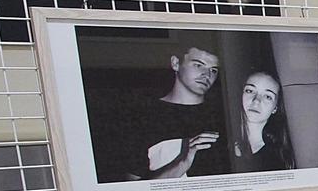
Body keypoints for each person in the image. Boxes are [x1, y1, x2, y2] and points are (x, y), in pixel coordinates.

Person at [91, 44, 230, 183]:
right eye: (198, 65)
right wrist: (181, 164)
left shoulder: (225, 117)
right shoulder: (140, 118)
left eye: (213, 70)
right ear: (175, 63)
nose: (207, 75)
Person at [230, 69, 295, 172]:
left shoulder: (277, 160)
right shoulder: (217, 141)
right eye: (250, 91)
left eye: (268, 97)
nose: (256, 101)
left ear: (275, 108)